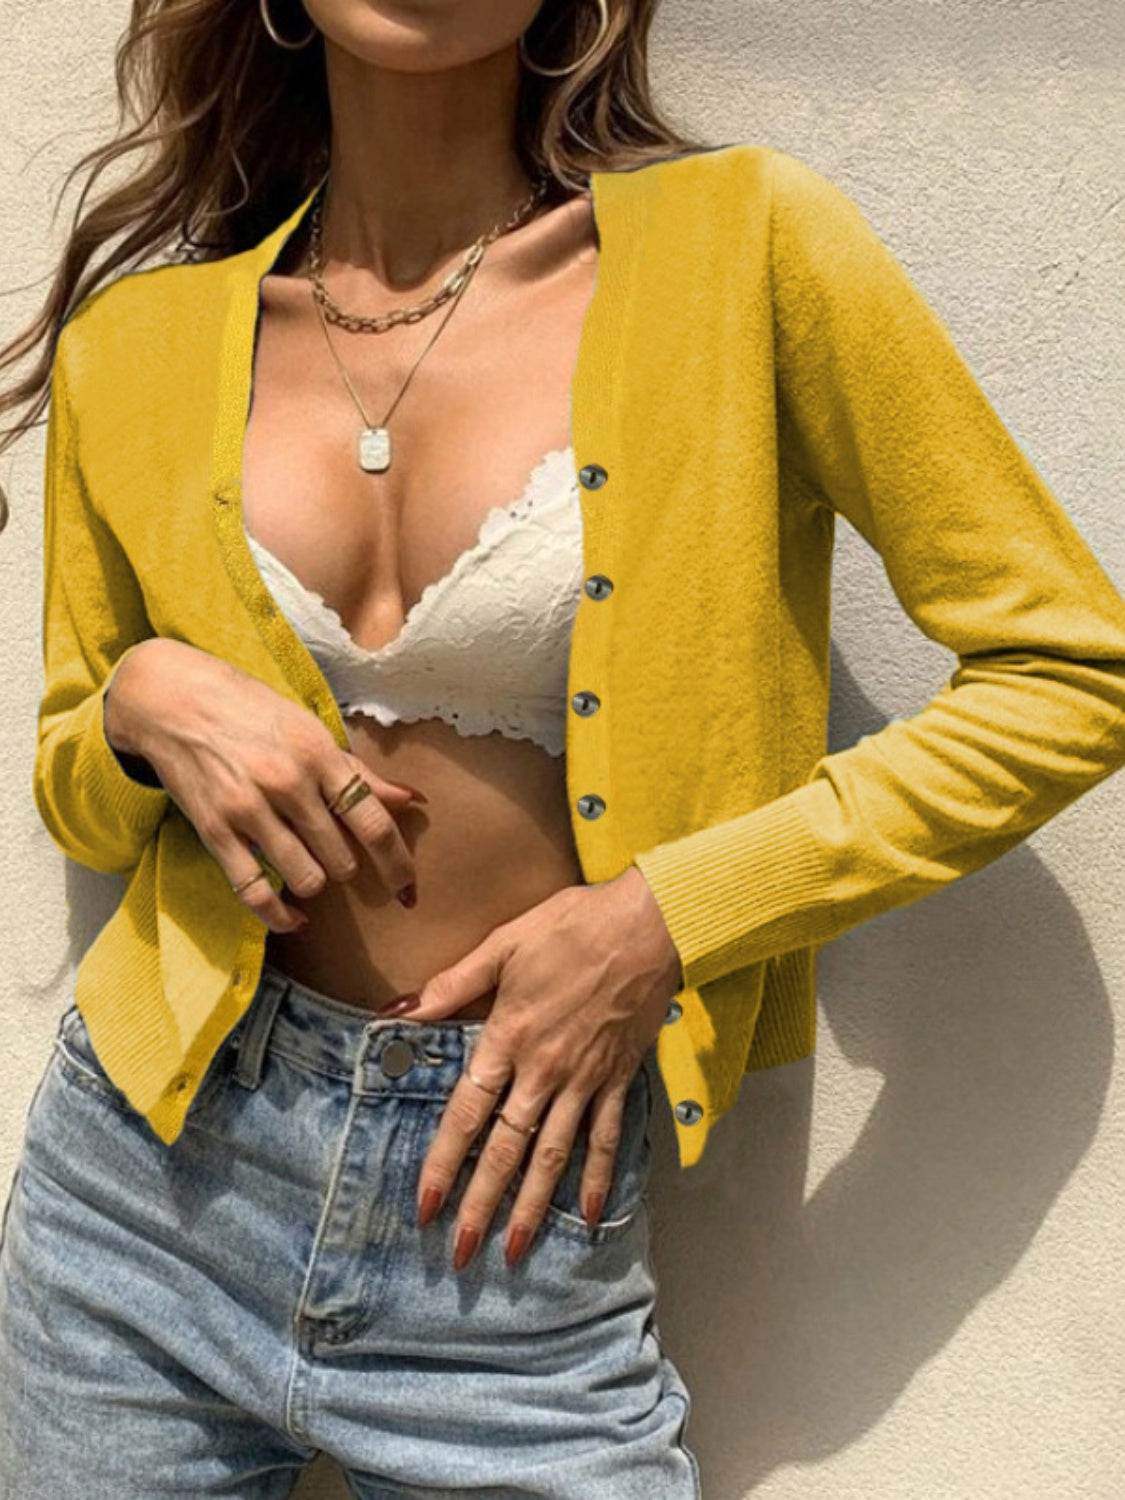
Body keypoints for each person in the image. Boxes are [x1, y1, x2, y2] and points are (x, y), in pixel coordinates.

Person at [4, 0, 1125, 1494]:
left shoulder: (748, 250)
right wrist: (143, 703)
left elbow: (1069, 672)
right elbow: (79, 792)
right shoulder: (133, 347)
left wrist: (665, 920)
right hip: (138, 1204)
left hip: (512, 1224)